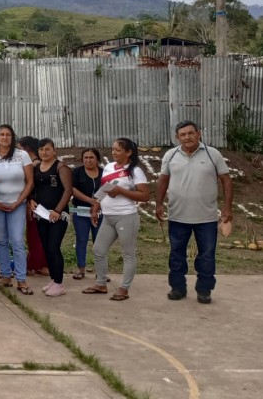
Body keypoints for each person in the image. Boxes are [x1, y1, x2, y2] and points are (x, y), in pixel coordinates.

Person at [156, 120, 233, 304]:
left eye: (190, 133)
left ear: (199, 134)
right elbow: (163, 180)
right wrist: (158, 204)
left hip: (206, 217)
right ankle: (177, 288)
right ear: (177, 137)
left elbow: (226, 180)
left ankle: (204, 290)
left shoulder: (212, 153)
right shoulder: (171, 155)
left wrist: (227, 207)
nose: (187, 137)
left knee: (206, 255)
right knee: (176, 254)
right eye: (182, 135)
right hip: (177, 216)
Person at [82, 138, 149, 302]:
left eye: (118, 150)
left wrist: (121, 191)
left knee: (128, 254)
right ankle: (101, 284)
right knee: (98, 250)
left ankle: (124, 289)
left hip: (126, 216)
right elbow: (103, 189)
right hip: (107, 216)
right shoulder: (109, 167)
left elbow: (145, 196)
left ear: (129, 152)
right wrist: (96, 207)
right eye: (113, 149)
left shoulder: (135, 171)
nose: (114, 152)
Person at [0, 124, 35, 295]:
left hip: (17, 204)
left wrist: (19, 201)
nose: (5, 137)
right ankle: (6, 276)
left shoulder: (23, 155)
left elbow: (30, 182)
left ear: (12, 137)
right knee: (0, 240)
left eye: (8, 134)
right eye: (1, 134)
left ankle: (21, 280)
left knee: (17, 241)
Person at [29, 139, 73, 298]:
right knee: (46, 248)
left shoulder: (61, 167)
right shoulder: (36, 167)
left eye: (47, 149)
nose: (44, 152)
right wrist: (31, 199)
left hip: (58, 215)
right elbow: (32, 187)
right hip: (41, 214)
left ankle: (59, 283)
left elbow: (68, 190)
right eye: (41, 149)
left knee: (54, 247)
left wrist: (57, 210)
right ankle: (54, 280)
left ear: (54, 151)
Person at [70, 148, 103, 280]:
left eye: (91, 158)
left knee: (100, 242)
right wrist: (90, 200)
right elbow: (72, 189)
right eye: (86, 158)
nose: (88, 160)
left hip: (101, 212)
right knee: (81, 240)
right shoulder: (77, 172)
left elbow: (108, 188)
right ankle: (81, 269)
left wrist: (98, 203)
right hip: (81, 211)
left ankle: (100, 271)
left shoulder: (104, 172)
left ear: (97, 160)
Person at [18, 136, 48, 277]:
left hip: (35, 205)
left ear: (26, 148)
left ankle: (33, 264)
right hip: (40, 204)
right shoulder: (38, 164)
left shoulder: (33, 165)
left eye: (19, 148)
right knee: (38, 235)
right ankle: (38, 263)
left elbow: (31, 187)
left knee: (34, 236)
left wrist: (29, 201)